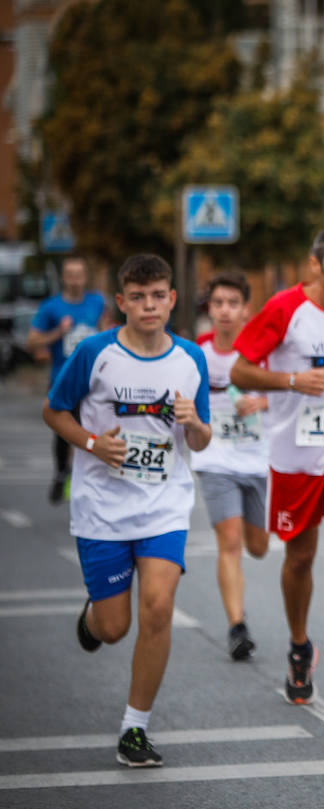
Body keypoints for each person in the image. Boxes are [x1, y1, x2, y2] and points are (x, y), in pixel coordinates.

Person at [42, 254, 211, 767]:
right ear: (121, 302)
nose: (149, 305)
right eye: (137, 297)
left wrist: (194, 423)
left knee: (158, 606)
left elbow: (201, 441)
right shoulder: (95, 352)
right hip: (102, 507)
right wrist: (92, 443)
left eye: (158, 295)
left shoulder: (190, 359)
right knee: (115, 628)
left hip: (164, 503)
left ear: (172, 298)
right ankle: (95, 619)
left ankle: (134, 729)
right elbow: (54, 410)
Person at [231, 227, 324, 704]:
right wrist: (292, 379)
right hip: (294, 448)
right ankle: (300, 646)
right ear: (315, 264)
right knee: (299, 556)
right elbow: (239, 370)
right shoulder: (284, 308)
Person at [192, 271, 270, 661]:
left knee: (258, 546)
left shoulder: (260, 352)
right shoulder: (196, 354)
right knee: (231, 541)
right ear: (210, 308)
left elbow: (291, 395)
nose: (224, 311)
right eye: (217, 303)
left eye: (232, 303)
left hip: (256, 459)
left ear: (245, 310)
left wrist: (263, 402)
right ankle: (237, 626)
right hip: (215, 458)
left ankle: (238, 619)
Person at [28, 254, 108, 503]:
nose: (75, 280)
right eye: (70, 275)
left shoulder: (96, 302)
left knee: (94, 427)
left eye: (79, 274)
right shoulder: (51, 308)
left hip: (94, 380)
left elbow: (107, 329)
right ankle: (62, 471)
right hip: (63, 378)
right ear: (64, 277)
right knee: (64, 431)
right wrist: (57, 333)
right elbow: (32, 341)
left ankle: (93, 477)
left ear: (85, 277)